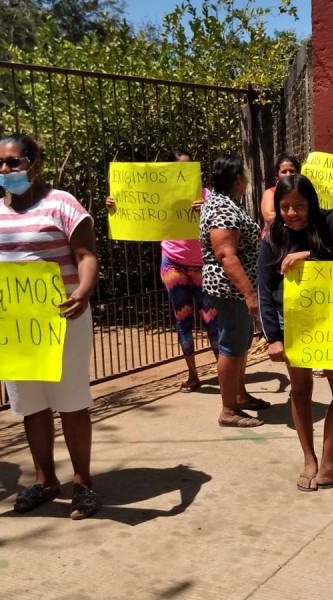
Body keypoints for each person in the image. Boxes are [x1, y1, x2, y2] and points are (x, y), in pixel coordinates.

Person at [0, 133, 99, 519]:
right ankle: (45, 480)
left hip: (62, 317)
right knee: (31, 405)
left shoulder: (61, 204)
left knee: (71, 402)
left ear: (34, 164)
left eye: (14, 162)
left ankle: (82, 483)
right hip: (12, 327)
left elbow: (86, 254)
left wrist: (84, 292)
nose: (5, 170)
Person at [105, 150, 268, 409]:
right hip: (183, 264)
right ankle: (204, 382)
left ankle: (236, 391)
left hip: (203, 268)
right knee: (190, 322)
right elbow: (226, 252)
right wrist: (119, 206)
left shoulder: (207, 198)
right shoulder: (211, 203)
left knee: (219, 328)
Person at [257, 174, 333, 490]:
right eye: (285, 206)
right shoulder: (273, 237)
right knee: (301, 391)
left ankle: (329, 467)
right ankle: (310, 461)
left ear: (311, 204)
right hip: (294, 324)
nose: (291, 213)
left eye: (299, 206)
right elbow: (265, 288)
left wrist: (308, 256)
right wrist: (273, 337)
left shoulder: (330, 223)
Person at [200, 155, 264, 427]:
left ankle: (240, 396)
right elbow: (226, 255)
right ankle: (229, 410)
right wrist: (249, 293)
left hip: (232, 289)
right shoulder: (223, 209)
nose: (247, 182)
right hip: (231, 290)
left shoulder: (221, 202)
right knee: (230, 347)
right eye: (245, 177)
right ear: (237, 179)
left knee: (240, 344)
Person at [260, 155, 301, 232]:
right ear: (277, 176)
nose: (288, 174)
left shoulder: (303, 192)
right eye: (284, 172)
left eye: (292, 171)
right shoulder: (271, 193)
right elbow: (269, 216)